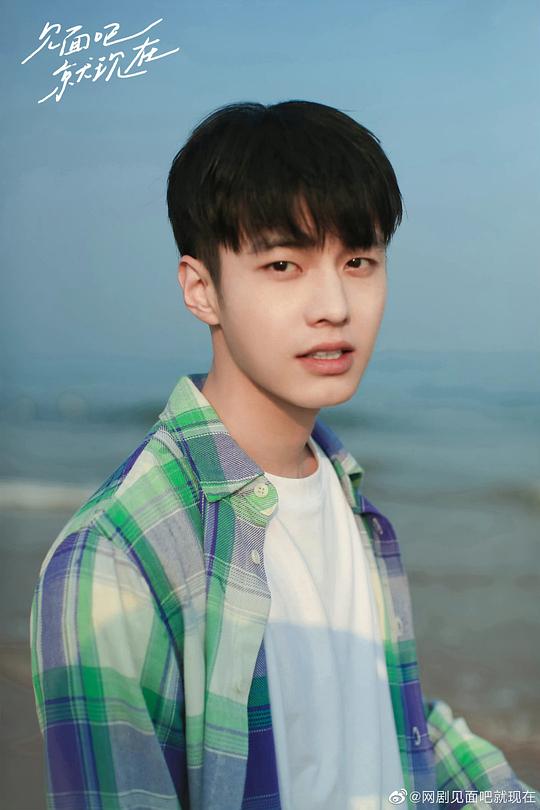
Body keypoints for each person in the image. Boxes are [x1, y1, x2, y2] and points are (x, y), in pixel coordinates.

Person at [30, 100, 539, 810]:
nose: (334, 304)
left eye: (358, 261)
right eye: (282, 264)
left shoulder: (343, 492)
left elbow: (388, 720)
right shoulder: (115, 560)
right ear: (201, 289)